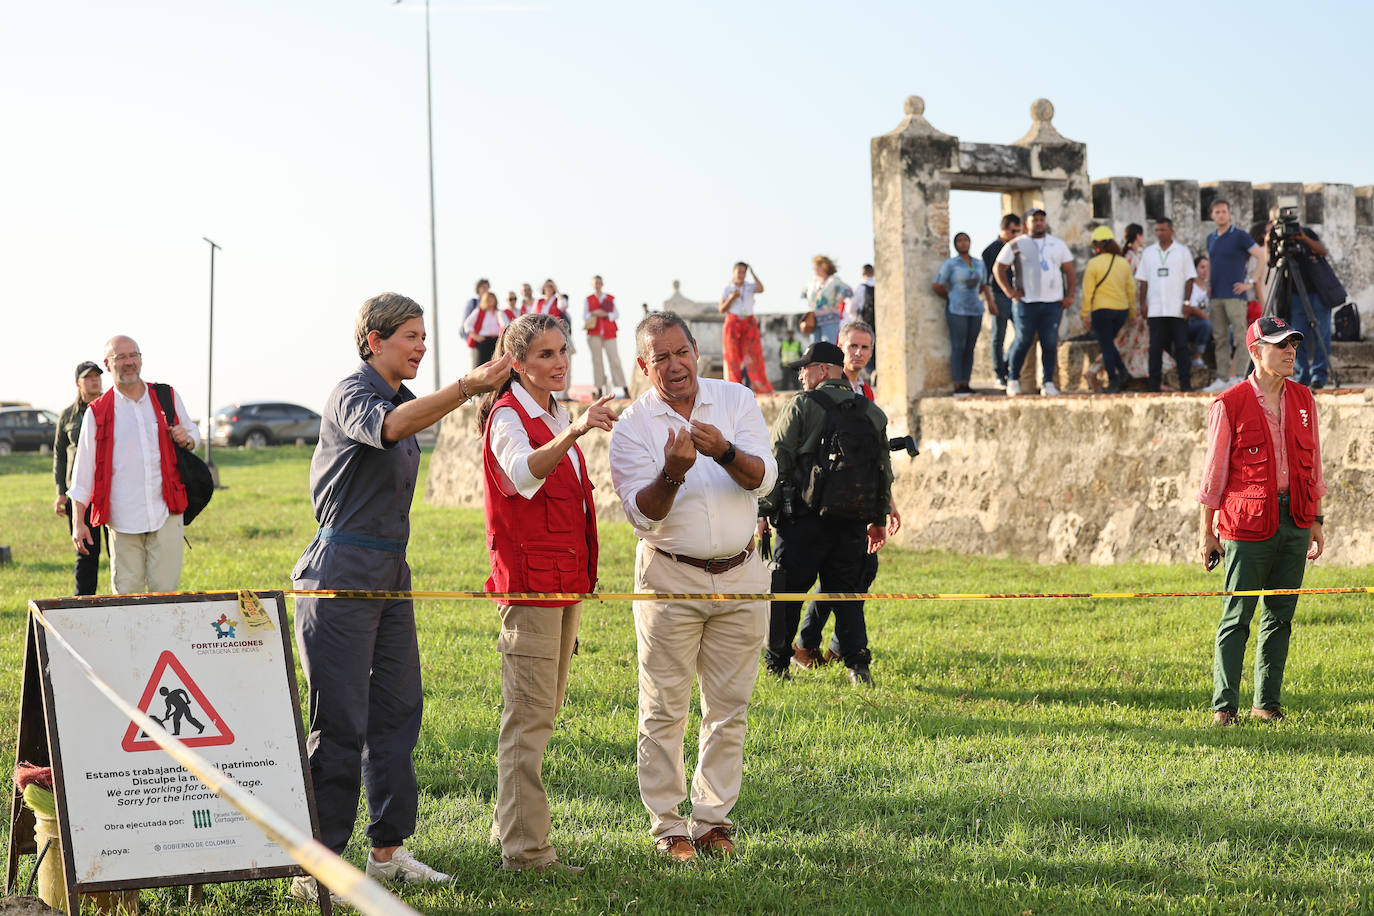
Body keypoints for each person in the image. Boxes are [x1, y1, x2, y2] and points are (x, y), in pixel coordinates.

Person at [288, 293, 511, 903]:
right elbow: (389, 430)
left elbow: (414, 418)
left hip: (392, 574)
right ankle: (322, 868)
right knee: (339, 725)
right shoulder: (352, 394)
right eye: (410, 336)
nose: (421, 345)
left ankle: (387, 851)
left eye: (423, 336)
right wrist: (467, 384)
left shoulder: (407, 400)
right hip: (338, 572)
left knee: (397, 712)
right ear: (373, 341)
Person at [607, 312, 776, 862]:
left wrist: (724, 452)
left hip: (742, 572)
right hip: (669, 575)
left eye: (681, 352)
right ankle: (668, 826)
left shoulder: (735, 399)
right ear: (643, 365)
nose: (675, 365)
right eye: (661, 357)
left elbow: (764, 478)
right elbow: (644, 516)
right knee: (663, 708)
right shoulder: (633, 425)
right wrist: (673, 473)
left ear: (696, 349)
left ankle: (712, 820)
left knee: (729, 707)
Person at [477, 313, 616, 874]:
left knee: (541, 714)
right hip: (531, 588)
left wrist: (570, 425)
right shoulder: (511, 418)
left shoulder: (551, 411)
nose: (559, 363)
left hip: (562, 587)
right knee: (529, 721)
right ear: (517, 364)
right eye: (545, 355)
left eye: (563, 352)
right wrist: (576, 431)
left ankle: (509, 829)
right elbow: (523, 473)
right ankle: (528, 853)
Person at [1198, 316, 1325, 726]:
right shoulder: (1230, 403)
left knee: (1281, 615)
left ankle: (1266, 704)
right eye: (1280, 345)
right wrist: (1206, 533)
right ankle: (1224, 708)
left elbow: (1314, 464)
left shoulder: (1305, 399)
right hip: (1246, 523)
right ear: (1256, 352)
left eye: (1293, 344)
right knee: (1237, 616)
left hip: (1297, 519)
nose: (1290, 351)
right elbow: (1213, 475)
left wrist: (1317, 520)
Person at [760, 341, 891, 685]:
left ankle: (778, 664)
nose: (801, 374)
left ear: (822, 371)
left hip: (802, 520)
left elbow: (778, 463)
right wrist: (877, 521)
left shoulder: (801, 406)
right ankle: (858, 667)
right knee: (846, 596)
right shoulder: (871, 412)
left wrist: (763, 513)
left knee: (787, 594)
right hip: (852, 523)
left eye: (804, 367)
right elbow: (883, 471)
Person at [67, 336, 201, 594]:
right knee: (127, 599)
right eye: (121, 357)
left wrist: (188, 439)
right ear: (108, 364)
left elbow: (193, 433)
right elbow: (83, 473)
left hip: (167, 513)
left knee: (166, 595)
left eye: (133, 355)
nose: (129, 362)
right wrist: (78, 522)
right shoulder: (97, 412)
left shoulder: (165, 396)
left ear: (140, 359)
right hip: (122, 520)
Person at [994, 208, 1076, 397]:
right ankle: (1013, 379)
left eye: (1041, 219)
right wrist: (1009, 291)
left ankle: (1048, 382)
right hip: (1026, 302)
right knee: (1023, 340)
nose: (1039, 223)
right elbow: (999, 267)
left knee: (1049, 343)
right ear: (1026, 224)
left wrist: (1070, 295)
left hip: (1052, 303)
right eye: (1034, 220)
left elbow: (1069, 271)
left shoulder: (1057, 244)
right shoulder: (1017, 244)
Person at [1260, 210, 1345, 390]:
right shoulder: (1276, 237)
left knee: (1321, 334)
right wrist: (1269, 243)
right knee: (1295, 336)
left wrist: (1303, 237)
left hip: (1318, 293)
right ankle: (1300, 375)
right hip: (1295, 295)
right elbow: (1271, 263)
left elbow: (1322, 251)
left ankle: (1318, 376)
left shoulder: (1304, 231)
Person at [53, 360, 107, 595]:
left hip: (109, 489)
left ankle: (124, 599)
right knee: (86, 550)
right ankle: (84, 602)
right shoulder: (68, 415)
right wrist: (59, 493)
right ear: (78, 383)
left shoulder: (111, 406)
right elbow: (59, 455)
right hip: (80, 493)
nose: (94, 380)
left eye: (97, 376)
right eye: (88, 377)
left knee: (120, 551)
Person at [1206, 200, 1265, 386]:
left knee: (1241, 338)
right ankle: (1222, 378)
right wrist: (1208, 283)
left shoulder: (1239, 235)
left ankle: (1239, 376)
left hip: (1235, 295)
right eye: (1217, 212)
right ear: (1212, 215)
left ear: (1229, 214)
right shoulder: (1211, 238)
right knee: (1220, 338)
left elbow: (1261, 256)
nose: (1221, 214)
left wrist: (1251, 282)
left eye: (1224, 211)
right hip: (1216, 295)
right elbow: (1212, 263)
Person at [1135, 218, 1197, 392]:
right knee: (1154, 348)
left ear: (1171, 231)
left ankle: (1185, 384)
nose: (1159, 233)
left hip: (1177, 309)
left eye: (1163, 230)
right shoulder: (1149, 252)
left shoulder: (1182, 252)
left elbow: (1189, 279)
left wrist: (1186, 303)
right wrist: (1143, 304)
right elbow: (1143, 281)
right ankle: (1153, 385)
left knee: (1181, 347)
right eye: (1157, 230)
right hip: (1155, 309)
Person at [933, 232, 991, 397]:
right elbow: (937, 284)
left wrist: (990, 303)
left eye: (966, 240)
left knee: (970, 348)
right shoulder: (951, 264)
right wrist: (951, 297)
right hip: (957, 309)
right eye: (960, 240)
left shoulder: (979, 263)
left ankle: (967, 382)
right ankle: (958, 384)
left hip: (975, 309)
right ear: (955, 244)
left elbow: (984, 284)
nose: (963, 243)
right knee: (959, 346)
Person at [719, 262, 775, 393]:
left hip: (748, 323)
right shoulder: (728, 289)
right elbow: (721, 308)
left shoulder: (749, 287)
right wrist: (732, 298)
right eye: (739, 272)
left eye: (743, 272)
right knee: (732, 358)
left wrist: (753, 273)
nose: (741, 275)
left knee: (753, 356)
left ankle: (761, 388)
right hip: (733, 323)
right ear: (734, 272)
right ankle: (733, 389)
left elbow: (761, 289)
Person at [981, 214, 1021, 387]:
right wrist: (990, 301)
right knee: (999, 336)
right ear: (1003, 229)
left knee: (1022, 333)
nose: (1015, 235)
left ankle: (1005, 364)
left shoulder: (1017, 248)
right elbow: (986, 279)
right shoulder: (991, 250)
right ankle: (999, 374)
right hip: (998, 296)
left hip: (1016, 296)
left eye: (1018, 231)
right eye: (1012, 231)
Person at [586, 274, 629, 399]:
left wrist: (605, 315)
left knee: (614, 359)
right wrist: (594, 313)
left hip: (609, 331)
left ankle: (624, 387)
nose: (597, 285)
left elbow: (616, 314)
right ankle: (599, 389)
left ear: (602, 284)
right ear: (592, 285)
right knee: (597, 361)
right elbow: (585, 316)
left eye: (599, 282)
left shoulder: (609, 298)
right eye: (595, 283)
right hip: (594, 332)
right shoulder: (589, 299)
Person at [803, 256, 852, 345]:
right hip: (814, 319)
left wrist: (838, 302)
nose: (813, 268)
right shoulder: (812, 282)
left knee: (828, 344)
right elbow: (804, 294)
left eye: (816, 265)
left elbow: (847, 290)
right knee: (814, 346)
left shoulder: (833, 281)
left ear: (823, 266)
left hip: (830, 318)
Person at [464, 290, 515, 367]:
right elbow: (467, 324)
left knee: (496, 365)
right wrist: (475, 336)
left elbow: (505, 325)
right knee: (481, 365)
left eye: (492, 299)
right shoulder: (479, 311)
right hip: (483, 342)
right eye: (489, 299)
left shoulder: (499, 312)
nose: (491, 301)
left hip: (496, 341)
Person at [1186, 256, 1214, 370]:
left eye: (1207, 267)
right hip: (1193, 323)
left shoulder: (1209, 287)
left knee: (1229, 329)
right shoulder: (1191, 286)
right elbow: (1193, 308)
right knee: (1207, 325)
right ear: (1195, 269)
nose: (1205, 271)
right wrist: (1209, 319)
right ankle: (1197, 357)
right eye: (1202, 267)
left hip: (1209, 320)